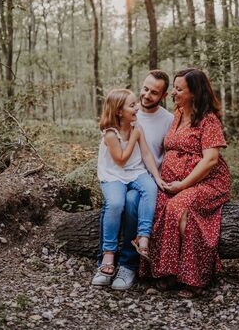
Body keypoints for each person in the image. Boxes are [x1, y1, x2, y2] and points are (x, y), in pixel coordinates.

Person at [141, 68, 231, 298]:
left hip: (207, 183)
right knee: (158, 206)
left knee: (178, 208)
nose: (174, 92)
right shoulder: (179, 114)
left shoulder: (208, 121)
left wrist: (182, 185)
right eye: (175, 87)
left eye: (179, 89)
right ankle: (168, 273)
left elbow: (210, 160)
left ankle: (196, 278)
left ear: (194, 93)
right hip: (175, 181)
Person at [92, 70, 173, 289]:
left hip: (140, 174)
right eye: (144, 90)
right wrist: (135, 137)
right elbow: (119, 159)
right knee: (117, 202)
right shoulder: (122, 126)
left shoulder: (168, 120)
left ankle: (129, 263)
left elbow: (149, 154)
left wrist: (159, 179)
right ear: (120, 111)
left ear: (163, 96)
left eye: (153, 93)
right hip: (117, 176)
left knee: (134, 201)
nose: (145, 97)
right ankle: (107, 260)